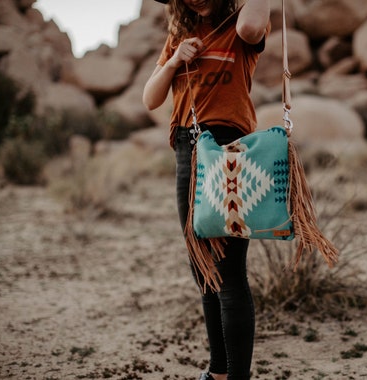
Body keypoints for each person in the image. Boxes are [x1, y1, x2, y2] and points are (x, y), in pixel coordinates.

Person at [143, 0, 271, 379]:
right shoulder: (179, 35)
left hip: (229, 150)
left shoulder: (241, 25)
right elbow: (151, 99)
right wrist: (172, 61)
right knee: (203, 270)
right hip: (187, 150)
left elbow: (250, 30)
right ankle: (218, 372)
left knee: (229, 273)